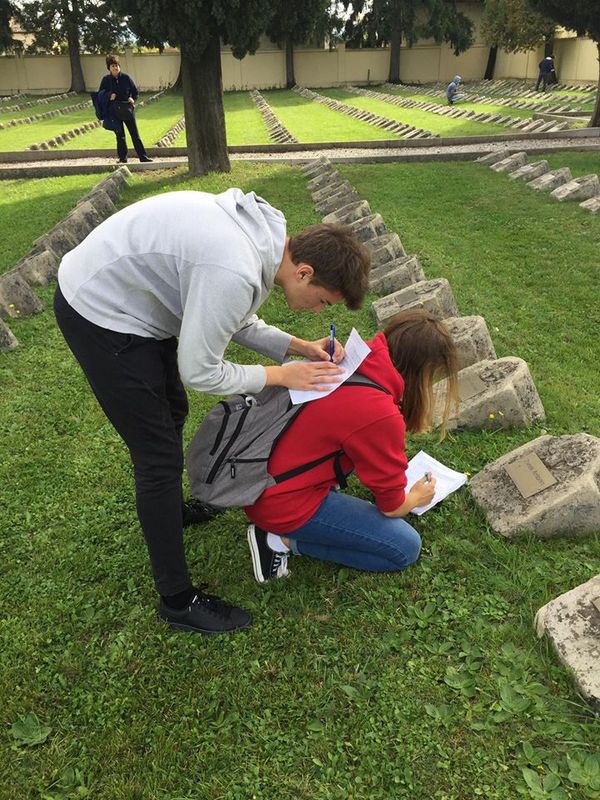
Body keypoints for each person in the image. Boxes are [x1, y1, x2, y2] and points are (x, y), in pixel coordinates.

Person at [54, 188, 371, 635]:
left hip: (136, 299)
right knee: (157, 457)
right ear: (304, 272)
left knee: (171, 410)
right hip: (100, 311)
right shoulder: (234, 267)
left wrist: (298, 347)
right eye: (324, 301)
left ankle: (172, 512)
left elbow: (233, 315)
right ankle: (177, 601)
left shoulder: (266, 240)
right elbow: (201, 371)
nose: (319, 310)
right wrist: (281, 375)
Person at [243, 310, 459, 583]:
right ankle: (278, 541)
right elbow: (391, 506)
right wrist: (416, 497)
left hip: (257, 480)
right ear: (421, 372)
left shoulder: (356, 361)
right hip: (280, 503)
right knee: (404, 547)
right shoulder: (380, 413)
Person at [98, 54, 153, 164]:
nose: (115, 68)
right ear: (109, 68)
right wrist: (109, 95)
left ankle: (143, 157)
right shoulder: (106, 80)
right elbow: (100, 94)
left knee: (135, 134)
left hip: (127, 109)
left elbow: (135, 92)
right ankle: (123, 158)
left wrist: (132, 98)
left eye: (117, 65)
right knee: (120, 136)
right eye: (113, 66)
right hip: (114, 111)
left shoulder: (126, 78)